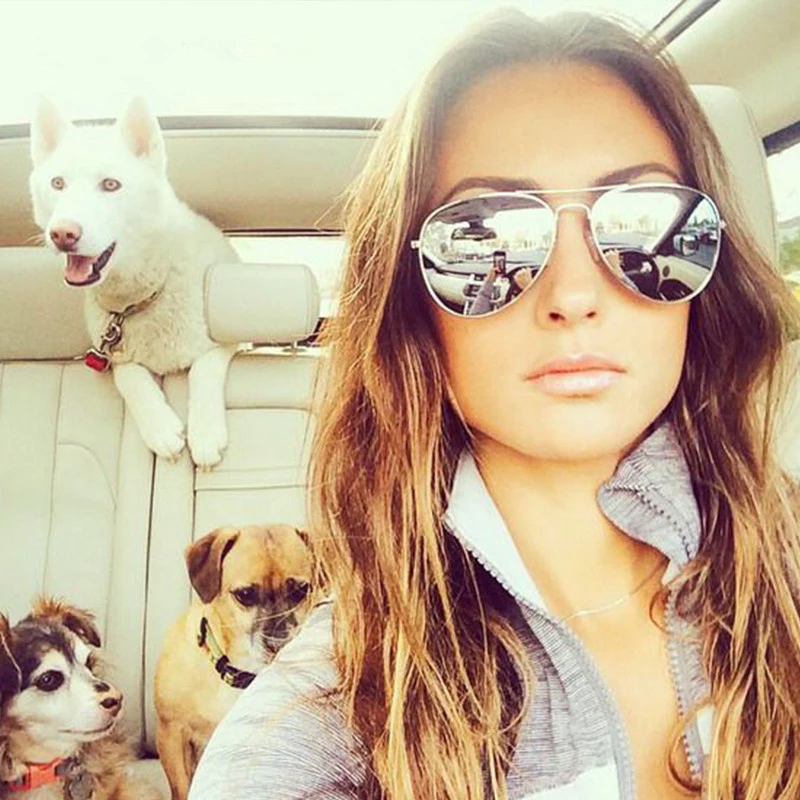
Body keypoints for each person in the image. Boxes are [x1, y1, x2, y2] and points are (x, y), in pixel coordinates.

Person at [189, 9, 800, 800]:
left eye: (647, 226)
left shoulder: (784, 563)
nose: (575, 294)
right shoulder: (326, 713)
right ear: (410, 300)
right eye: (485, 238)